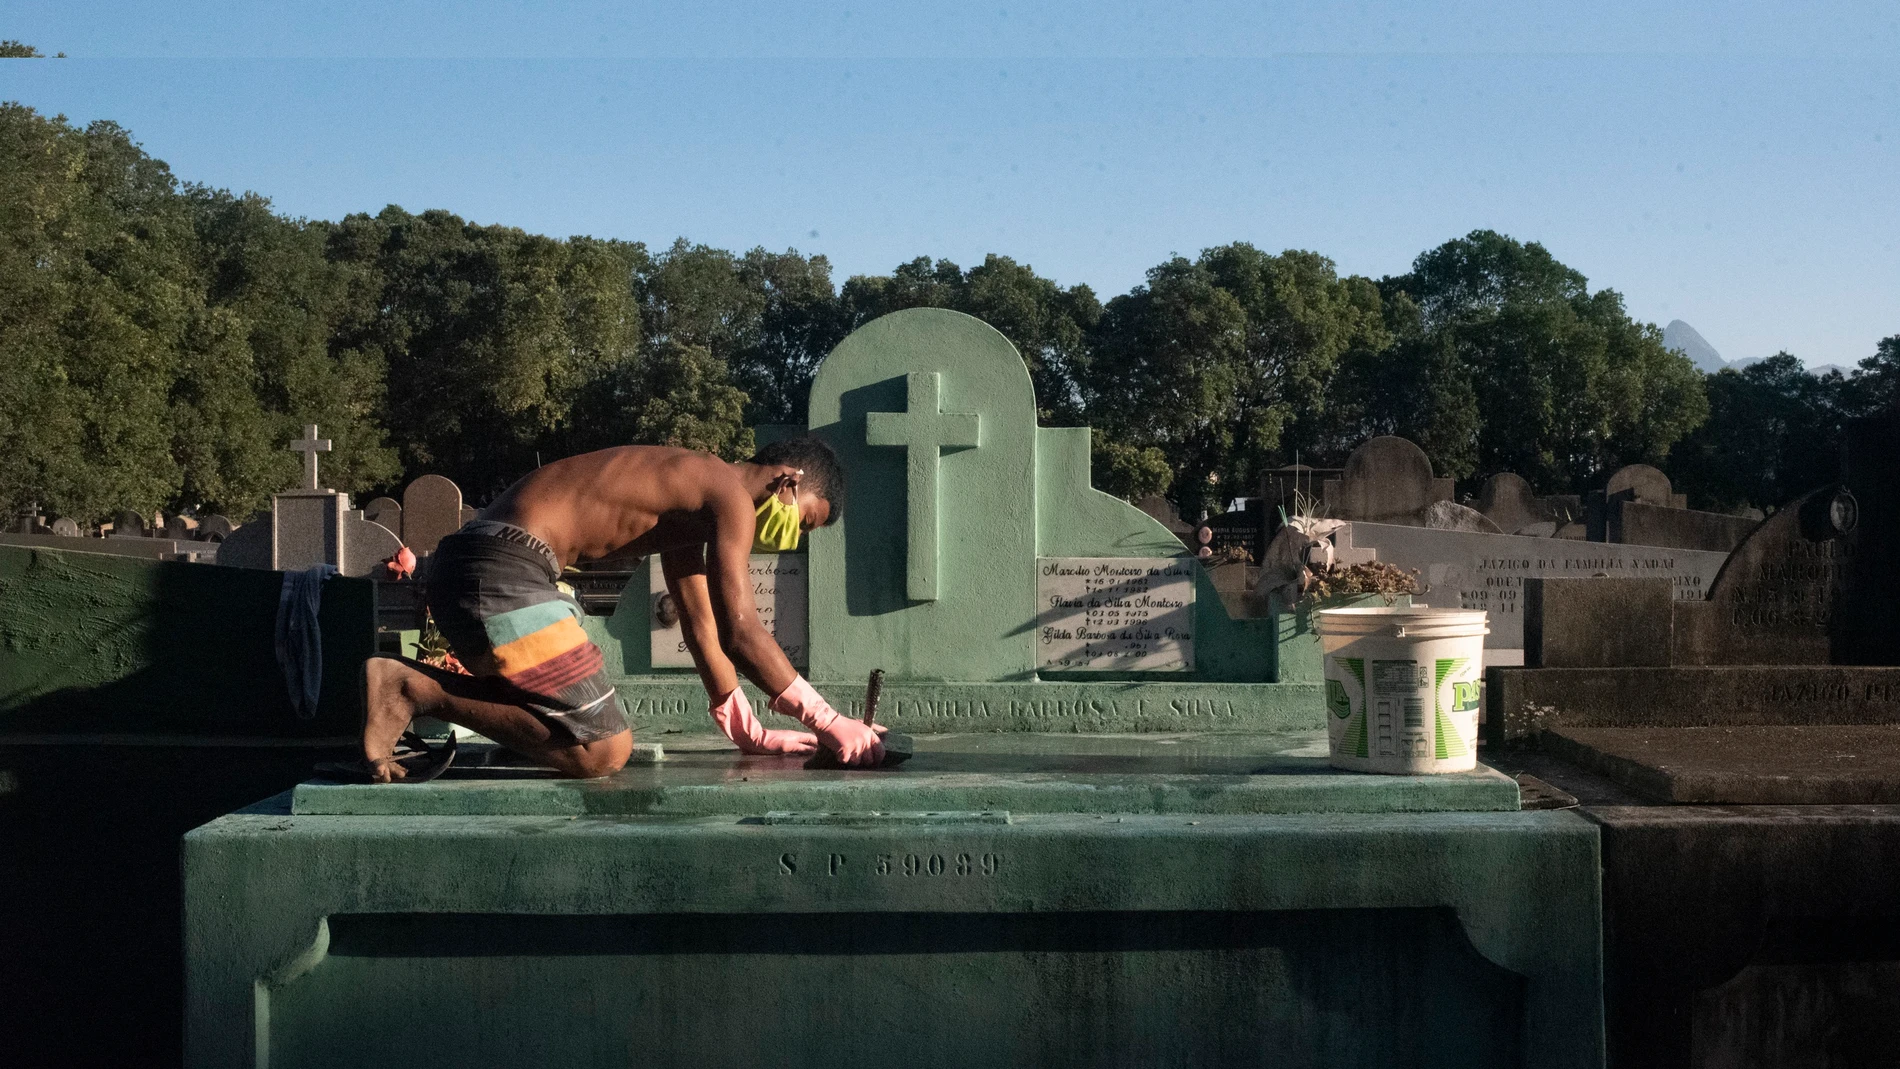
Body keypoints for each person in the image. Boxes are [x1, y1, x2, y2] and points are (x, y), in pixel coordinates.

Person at [359, 437, 883, 782]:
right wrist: (829, 719)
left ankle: (413, 689)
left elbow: (702, 625)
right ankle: (409, 687)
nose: (791, 536)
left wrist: (749, 729)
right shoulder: (729, 496)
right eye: (804, 520)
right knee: (604, 751)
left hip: (475, 568)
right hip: (504, 572)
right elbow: (741, 629)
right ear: (789, 481)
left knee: (574, 731)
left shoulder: (692, 495)